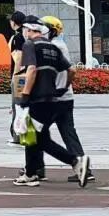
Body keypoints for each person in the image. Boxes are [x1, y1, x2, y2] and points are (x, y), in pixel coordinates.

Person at [13, 18, 91, 188]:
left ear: (29, 30)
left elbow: (31, 70)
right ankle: (31, 173)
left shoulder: (30, 45)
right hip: (53, 100)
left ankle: (75, 161)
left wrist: (25, 95)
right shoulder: (53, 47)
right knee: (34, 136)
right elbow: (71, 70)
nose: (24, 33)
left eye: (25, 29)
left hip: (37, 99)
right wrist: (63, 88)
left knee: (38, 139)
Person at [40, 16, 95, 183]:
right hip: (65, 97)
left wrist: (60, 88)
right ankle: (83, 167)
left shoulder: (53, 47)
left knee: (37, 134)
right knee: (68, 132)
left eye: (42, 29)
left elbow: (66, 71)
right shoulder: (59, 45)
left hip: (55, 98)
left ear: (51, 30)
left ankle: (35, 169)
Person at [7, 11, 27, 142]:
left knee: (17, 106)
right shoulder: (26, 35)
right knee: (22, 105)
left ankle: (17, 136)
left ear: (14, 22)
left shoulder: (18, 37)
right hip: (27, 74)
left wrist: (15, 75)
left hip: (20, 77)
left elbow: (18, 57)